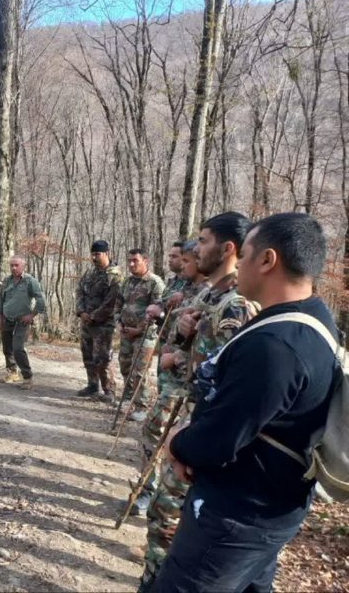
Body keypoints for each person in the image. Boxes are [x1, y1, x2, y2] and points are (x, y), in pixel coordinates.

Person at [152, 212, 337, 592]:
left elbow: (218, 440)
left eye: (246, 255)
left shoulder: (277, 345)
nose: (238, 267)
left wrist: (178, 443)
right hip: (266, 506)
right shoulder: (311, 319)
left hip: (238, 514)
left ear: (268, 260)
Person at [138, 211, 256, 591]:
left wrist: (182, 357)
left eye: (203, 241)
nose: (196, 247)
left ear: (228, 248)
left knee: (172, 517)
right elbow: (196, 348)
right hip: (187, 413)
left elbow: (229, 377)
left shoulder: (237, 304)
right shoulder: (209, 293)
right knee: (162, 512)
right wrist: (185, 333)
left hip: (205, 429)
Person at [126, 242, 208, 518]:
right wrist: (161, 309)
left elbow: (212, 351)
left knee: (160, 434)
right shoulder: (181, 286)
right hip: (169, 373)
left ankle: (155, 495)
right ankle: (149, 489)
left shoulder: (214, 296)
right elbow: (170, 321)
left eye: (185, 260)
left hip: (187, 383)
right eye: (178, 259)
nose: (180, 264)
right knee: (155, 433)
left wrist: (177, 359)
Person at [115, 249, 165, 422]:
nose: (131, 264)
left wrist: (139, 329)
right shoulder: (127, 282)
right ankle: (127, 399)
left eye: (135, 260)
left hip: (145, 336)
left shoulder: (155, 283)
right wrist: (119, 323)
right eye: (129, 260)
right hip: (126, 332)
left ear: (145, 261)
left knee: (139, 371)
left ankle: (141, 406)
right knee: (125, 366)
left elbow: (158, 312)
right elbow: (119, 304)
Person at [75, 240, 122, 402]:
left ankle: (109, 390)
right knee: (87, 354)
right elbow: (80, 292)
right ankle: (92, 385)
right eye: (93, 254)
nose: (94, 258)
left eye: (98, 254)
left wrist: (93, 316)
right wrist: (81, 312)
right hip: (86, 322)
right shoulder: (89, 273)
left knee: (103, 358)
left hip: (103, 325)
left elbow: (111, 301)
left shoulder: (114, 276)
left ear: (107, 254)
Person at [0, 256, 46, 391]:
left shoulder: (30, 281)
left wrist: (32, 315)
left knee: (18, 347)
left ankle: (27, 376)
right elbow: (1, 300)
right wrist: (0, 317)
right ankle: (12, 372)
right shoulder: (6, 281)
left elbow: (40, 299)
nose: (13, 268)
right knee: (7, 348)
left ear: (23, 266)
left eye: (16, 265)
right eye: (11, 265)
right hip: (7, 319)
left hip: (22, 321)